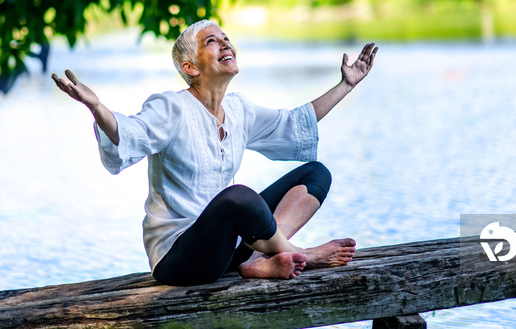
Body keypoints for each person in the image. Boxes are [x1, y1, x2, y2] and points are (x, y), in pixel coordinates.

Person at [52, 19, 378, 285]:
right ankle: (302, 254)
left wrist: (346, 85)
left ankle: (256, 260)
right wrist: (96, 106)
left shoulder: (239, 110)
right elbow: (128, 133)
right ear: (190, 66)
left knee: (315, 173)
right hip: (179, 259)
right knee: (238, 198)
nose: (225, 43)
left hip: (229, 249)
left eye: (226, 38)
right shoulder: (172, 108)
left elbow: (295, 124)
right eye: (212, 41)